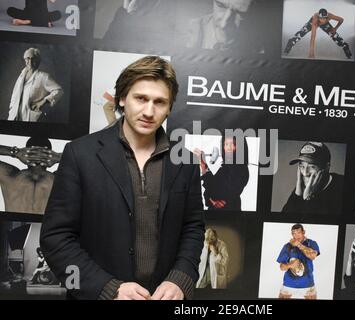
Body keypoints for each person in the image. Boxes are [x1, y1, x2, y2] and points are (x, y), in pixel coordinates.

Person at [40, 56, 205, 300]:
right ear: (122, 99)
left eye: (159, 102)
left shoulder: (186, 161)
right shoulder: (80, 154)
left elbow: (192, 228)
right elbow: (56, 237)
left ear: (169, 108)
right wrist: (107, 288)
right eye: (141, 98)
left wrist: (180, 279)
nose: (149, 111)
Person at [0, 137, 61, 214]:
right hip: (47, 225)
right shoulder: (60, 179)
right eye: (33, 152)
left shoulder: (10, 176)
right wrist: (60, 157)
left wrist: (14, 152)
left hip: (17, 225)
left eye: (42, 153)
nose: (38, 156)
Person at [282, 142, 344, 214]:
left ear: (327, 167)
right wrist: (297, 196)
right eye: (302, 166)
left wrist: (309, 199)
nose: (305, 173)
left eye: (312, 167)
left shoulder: (342, 186)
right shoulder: (302, 187)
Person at [193, 135, 249, 211]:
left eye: (233, 144)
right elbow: (210, 189)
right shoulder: (225, 167)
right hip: (215, 214)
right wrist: (203, 163)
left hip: (229, 215)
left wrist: (212, 198)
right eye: (226, 144)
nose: (229, 148)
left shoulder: (241, 169)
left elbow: (215, 191)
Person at [7, 48, 63, 122]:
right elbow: (15, 94)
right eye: (28, 58)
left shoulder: (43, 77)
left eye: (33, 59)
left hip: (31, 117)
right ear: (25, 60)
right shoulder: (21, 75)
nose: (30, 61)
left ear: (38, 61)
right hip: (15, 116)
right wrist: (11, 109)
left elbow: (59, 90)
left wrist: (44, 101)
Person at [187, 0, 255, 51]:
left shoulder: (259, 47)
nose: (223, 25)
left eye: (240, 13)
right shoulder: (193, 31)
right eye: (221, 6)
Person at [284, 8, 352, 59]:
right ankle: (291, 42)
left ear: (327, 17)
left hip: (325, 25)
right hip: (312, 23)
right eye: (321, 18)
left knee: (334, 35)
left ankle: (345, 46)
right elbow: (313, 37)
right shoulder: (315, 19)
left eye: (324, 18)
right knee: (301, 33)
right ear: (318, 17)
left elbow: (341, 20)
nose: (322, 20)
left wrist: (335, 28)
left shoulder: (330, 16)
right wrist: (311, 52)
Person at [277, 224, 320, 299]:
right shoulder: (287, 246)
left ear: (304, 232)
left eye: (298, 232)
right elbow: (282, 267)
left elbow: (312, 256)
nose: (296, 236)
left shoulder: (311, 243)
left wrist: (299, 245)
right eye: (294, 233)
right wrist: (289, 265)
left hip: (307, 283)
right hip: (289, 283)